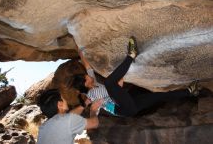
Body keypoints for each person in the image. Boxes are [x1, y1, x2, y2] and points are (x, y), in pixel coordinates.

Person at [71, 36, 200, 117]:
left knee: (158, 96)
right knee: (110, 83)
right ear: (86, 83)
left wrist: (78, 47)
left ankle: (189, 92)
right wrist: (122, 74)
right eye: (86, 77)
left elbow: (87, 65)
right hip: (123, 108)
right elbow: (118, 85)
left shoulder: (92, 84)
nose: (88, 75)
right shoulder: (94, 93)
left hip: (129, 105)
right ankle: (131, 55)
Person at [37, 89, 103, 144]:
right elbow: (94, 123)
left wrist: (84, 104)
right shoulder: (68, 121)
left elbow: (69, 117)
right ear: (60, 104)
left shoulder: (43, 128)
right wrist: (93, 110)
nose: (66, 100)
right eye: (63, 98)